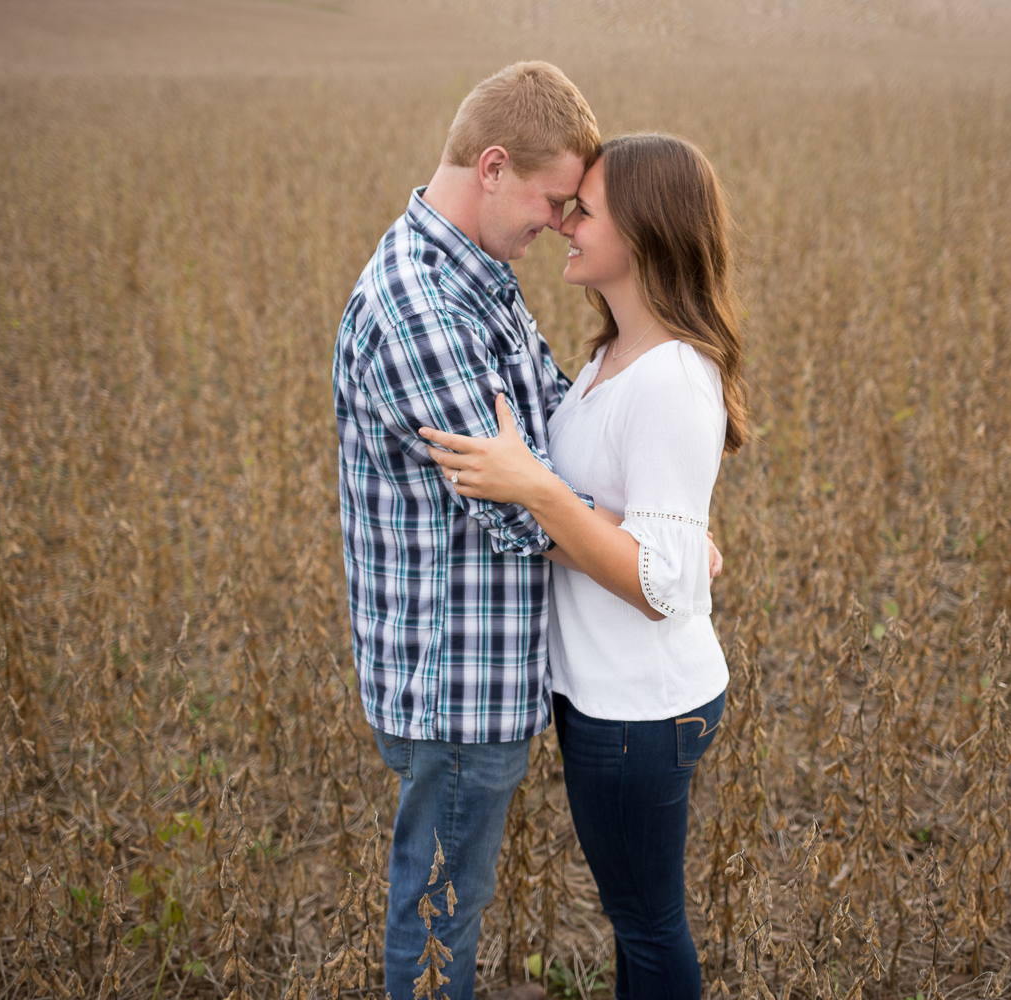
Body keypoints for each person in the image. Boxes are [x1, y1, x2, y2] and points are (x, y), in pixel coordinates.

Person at [419, 132, 748, 1000]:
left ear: (642, 234)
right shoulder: (610, 358)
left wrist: (535, 487)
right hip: (607, 700)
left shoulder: (674, 378)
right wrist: (564, 502)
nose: (565, 221)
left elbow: (660, 584)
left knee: (648, 926)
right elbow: (639, 533)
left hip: (643, 710)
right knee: (634, 919)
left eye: (585, 210)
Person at [331, 61, 601, 1000]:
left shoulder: (478, 277)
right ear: (492, 165)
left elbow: (555, 421)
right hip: (452, 687)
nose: (563, 224)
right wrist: (650, 557)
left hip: (482, 678)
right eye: (555, 199)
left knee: (454, 903)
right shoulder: (421, 307)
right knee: (439, 916)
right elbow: (522, 507)